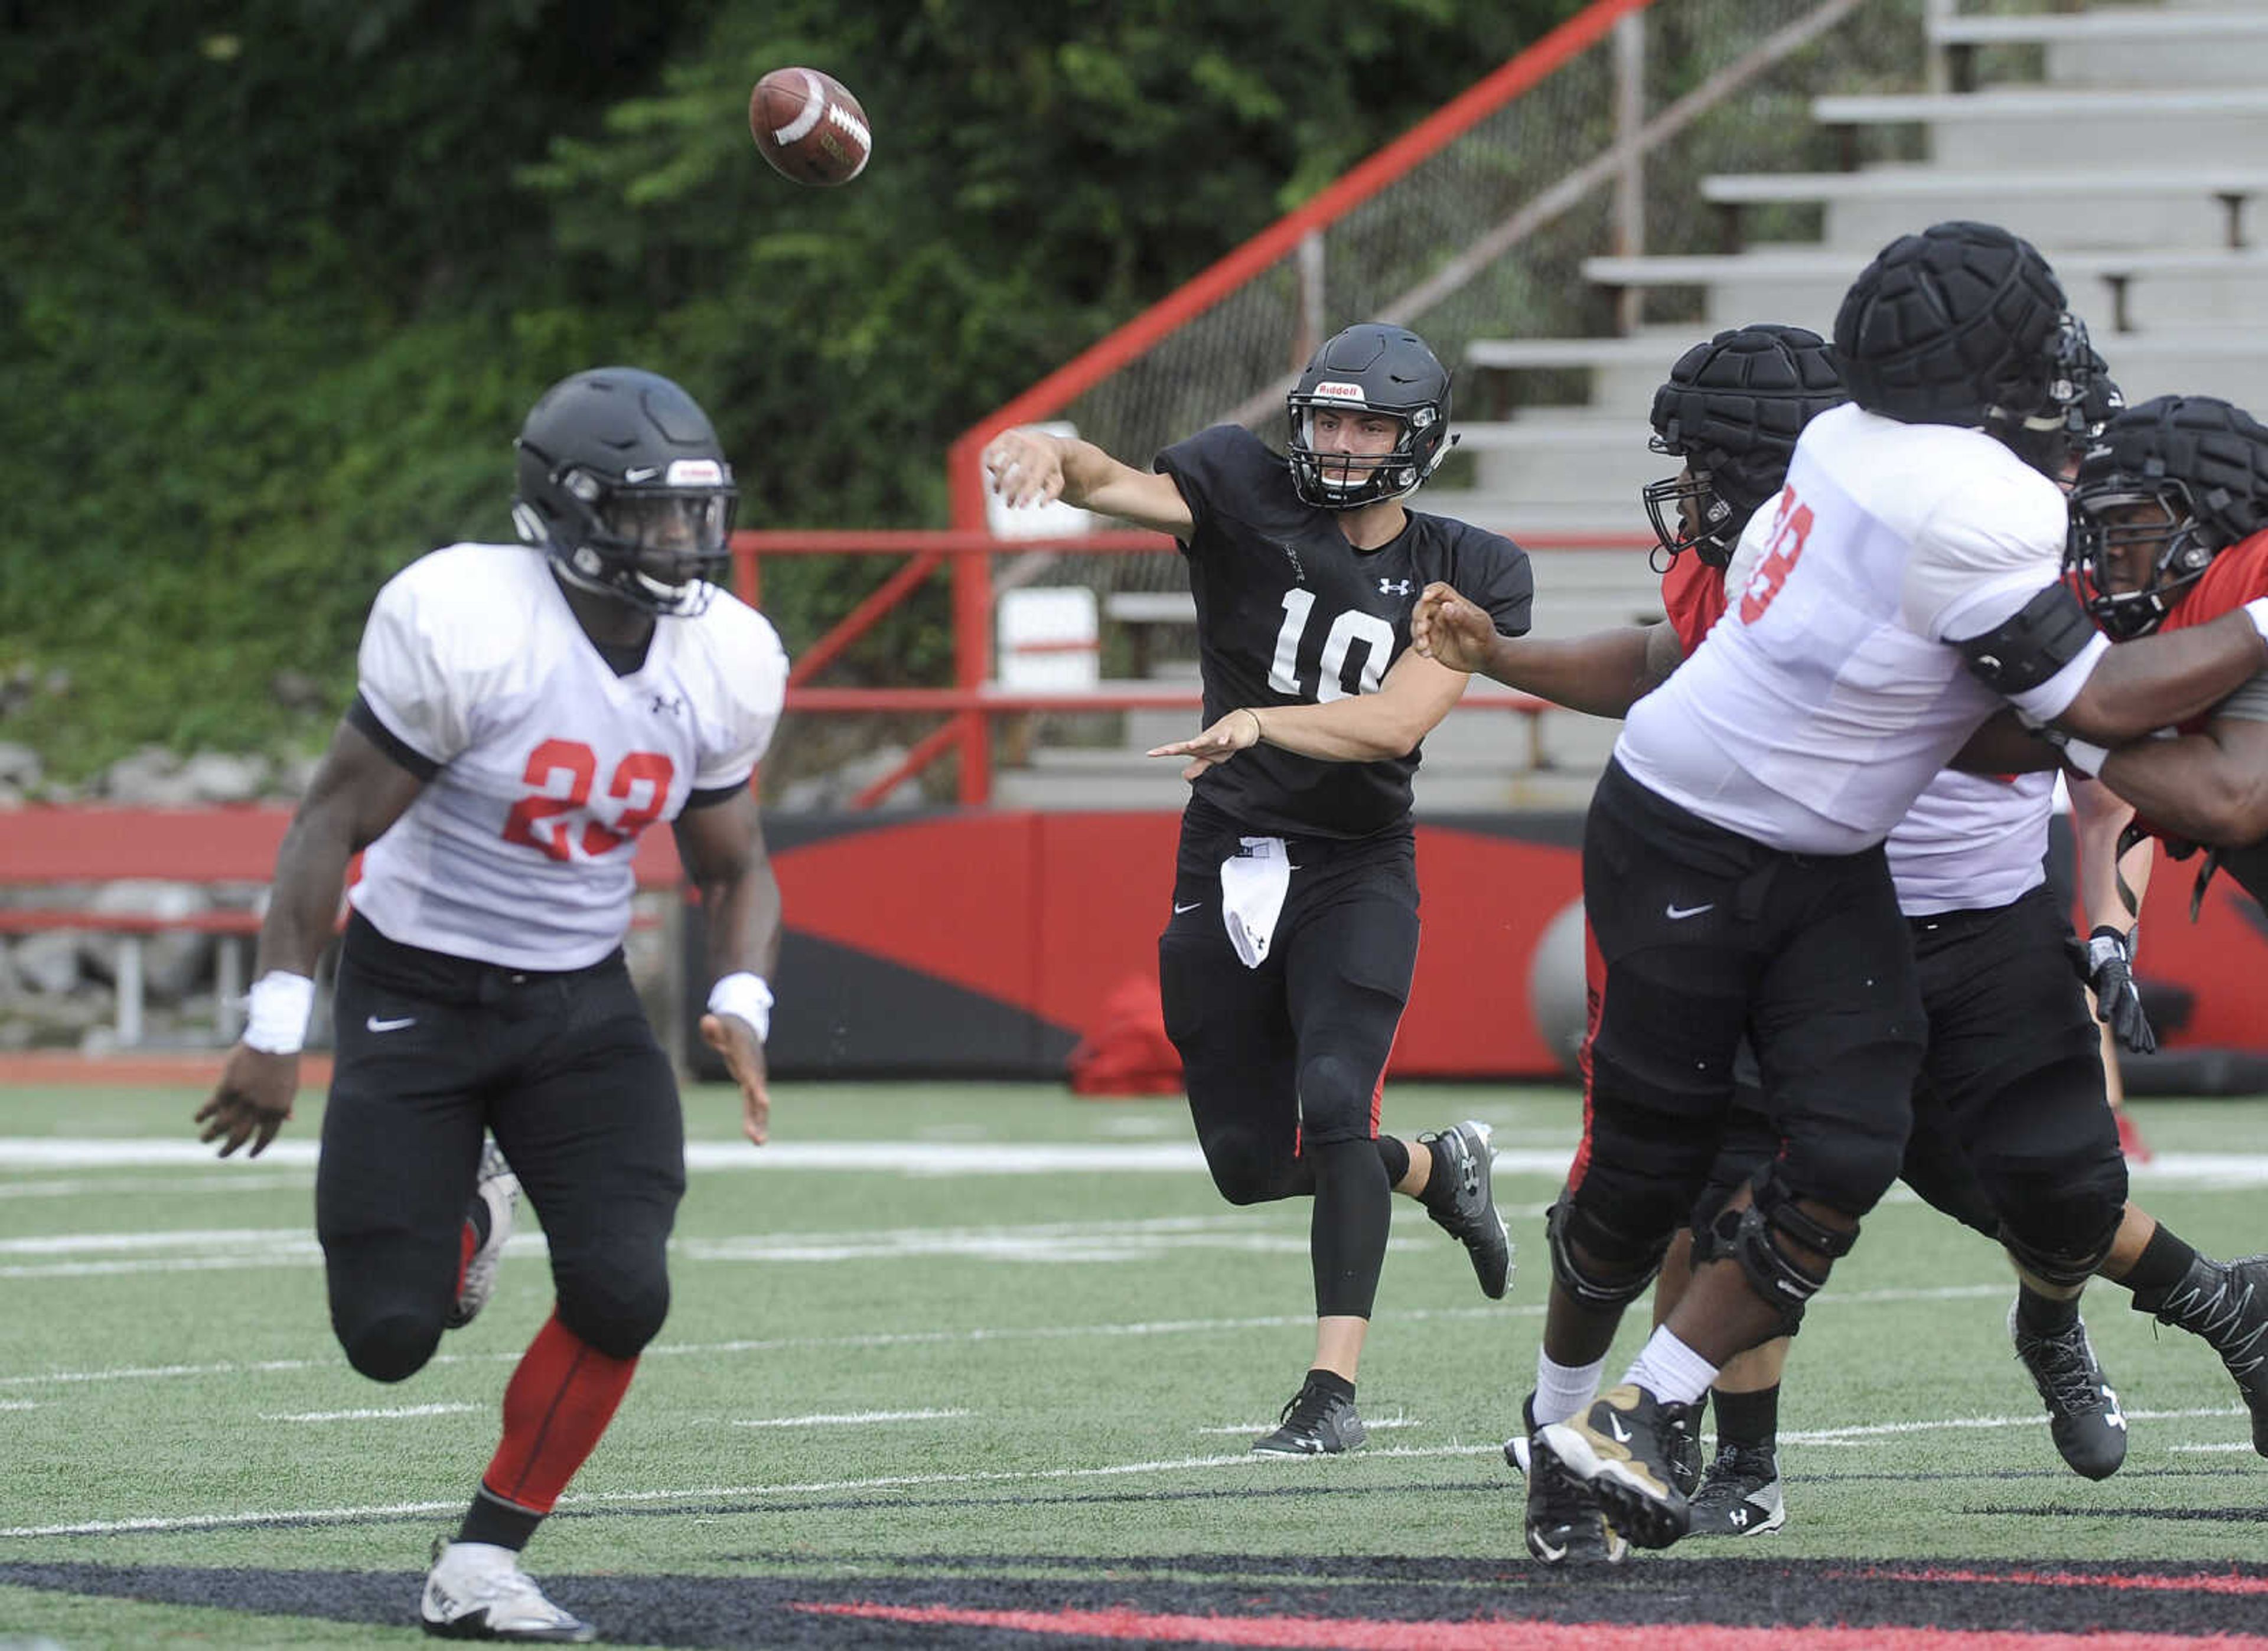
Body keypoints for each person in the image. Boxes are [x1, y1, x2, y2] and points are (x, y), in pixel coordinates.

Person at [1410, 221, 2268, 1554]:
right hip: (1699, 839)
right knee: (1643, 1183)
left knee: (1852, 1158)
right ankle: (1563, 1430)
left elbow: (2000, 726)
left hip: (1833, 864)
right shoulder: (1983, 502)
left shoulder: (1844, 443)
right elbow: (2079, 712)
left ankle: (1646, 1413)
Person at [194, 366, 787, 1642]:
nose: (686, 543)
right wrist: (273, 1027)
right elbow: (330, 822)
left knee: (626, 1290)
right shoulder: (467, 619)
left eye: (698, 514)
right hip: (416, 991)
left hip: (578, 1005)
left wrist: (743, 998)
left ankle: (480, 1561)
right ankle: (464, 1213)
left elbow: (735, 862)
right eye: (652, 515)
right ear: (567, 514)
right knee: (389, 1338)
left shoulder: (724, 657)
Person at [984, 322, 1532, 1455]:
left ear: (1418, 440)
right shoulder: (1240, 484)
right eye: (1324, 418)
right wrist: (1052, 446)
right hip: (1228, 858)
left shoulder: (1471, 568)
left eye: (1364, 423)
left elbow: (1397, 721)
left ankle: (1329, 1396)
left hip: (1356, 865)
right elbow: (1113, 483)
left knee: (1335, 1096)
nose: (1336, 442)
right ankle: (1438, 1168)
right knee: (1245, 1165)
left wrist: (1263, 721)